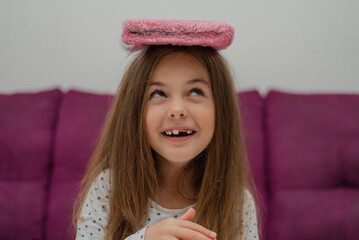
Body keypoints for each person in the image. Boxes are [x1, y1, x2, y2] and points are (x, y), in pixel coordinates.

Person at [74, 19, 260, 240]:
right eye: (159, 94)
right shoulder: (108, 189)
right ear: (134, 112)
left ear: (221, 109)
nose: (178, 110)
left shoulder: (238, 202)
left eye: (196, 91)